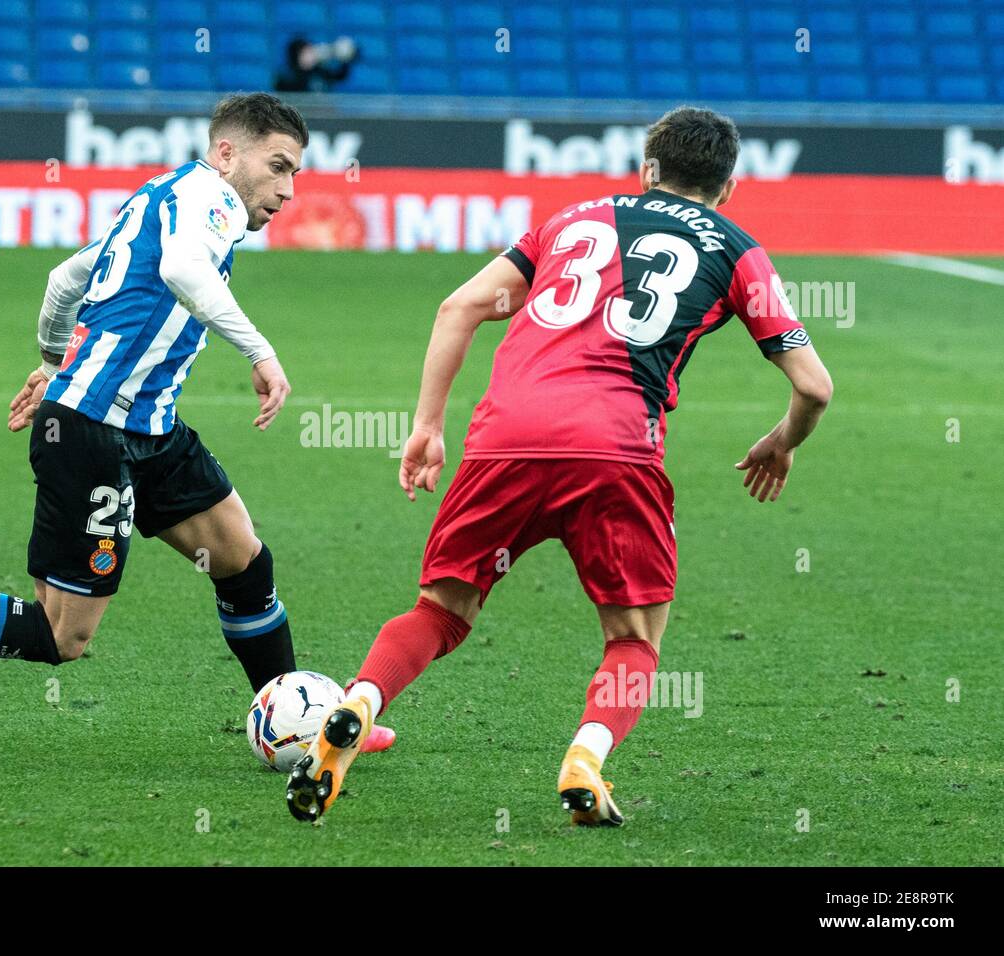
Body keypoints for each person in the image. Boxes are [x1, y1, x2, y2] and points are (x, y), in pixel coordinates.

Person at [285, 107, 832, 825]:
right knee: (633, 639)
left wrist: (425, 427)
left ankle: (358, 700)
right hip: (615, 448)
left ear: (647, 171)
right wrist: (782, 442)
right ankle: (586, 758)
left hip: (503, 438)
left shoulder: (570, 221)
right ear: (728, 187)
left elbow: (459, 308)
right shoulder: (737, 250)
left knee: (440, 612)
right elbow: (814, 385)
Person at [0, 92, 394, 755]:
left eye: (296, 174)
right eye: (280, 166)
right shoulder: (212, 202)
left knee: (242, 558)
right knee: (64, 636)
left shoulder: (158, 200)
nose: (287, 191)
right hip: (90, 432)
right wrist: (260, 352)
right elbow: (178, 270)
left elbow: (64, 281)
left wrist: (58, 363)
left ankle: (307, 722)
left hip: (148, 428)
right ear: (228, 153)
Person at [274, 36, 359, 93]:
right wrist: (304, 68)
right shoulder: (286, 76)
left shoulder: (318, 70)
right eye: (306, 51)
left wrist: (344, 59)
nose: (312, 53)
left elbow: (339, 76)